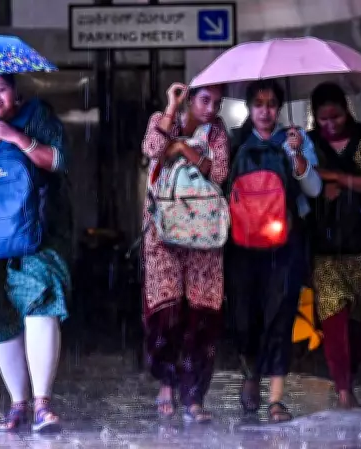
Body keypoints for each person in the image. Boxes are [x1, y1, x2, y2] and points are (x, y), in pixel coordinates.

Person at [0, 74, 72, 433]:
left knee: (40, 305)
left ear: (15, 91)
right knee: (3, 319)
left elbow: (58, 161)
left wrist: (16, 138)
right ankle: (18, 404)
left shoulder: (37, 117)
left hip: (40, 234)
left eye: (0, 89)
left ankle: (43, 404)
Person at [225, 79, 322, 422]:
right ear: (250, 108)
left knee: (281, 315)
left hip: (285, 243)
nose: (265, 111)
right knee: (244, 316)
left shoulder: (294, 140)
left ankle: (276, 398)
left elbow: (312, 189)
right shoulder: (236, 141)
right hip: (241, 244)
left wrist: (296, 154)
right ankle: (251, 374)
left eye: (271, 104)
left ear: (279, 109)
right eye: (259, 104)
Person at [141, 81, 229, 423]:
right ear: (190, 98)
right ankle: (167, 381)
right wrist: (171, 108)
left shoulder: (218, 132)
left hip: (204, 237)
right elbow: (151, 148)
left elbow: (219, 172)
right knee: (166, 314)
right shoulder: (162, 120)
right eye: (205, 100)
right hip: (163, 234)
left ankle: (194, 395)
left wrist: (183, 149)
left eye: (217, 103)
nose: (210, 108)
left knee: (202, 318)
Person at [307, 82, 361, 408]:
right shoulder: (309, 143)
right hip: (326, 251)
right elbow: (304, 184)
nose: (330, 124)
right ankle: (343, 389)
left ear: (346, 110)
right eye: (323, 119)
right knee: (333, 320)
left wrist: (338, 178)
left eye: (336, 116)